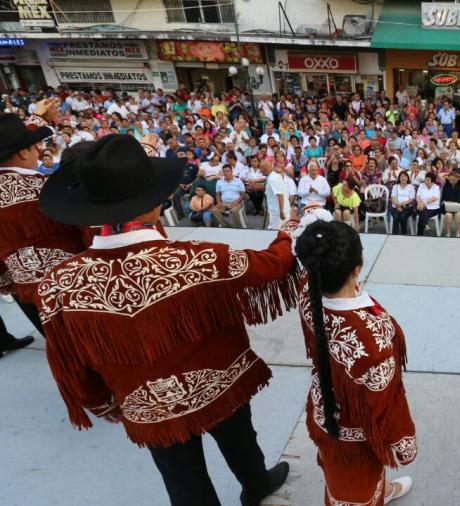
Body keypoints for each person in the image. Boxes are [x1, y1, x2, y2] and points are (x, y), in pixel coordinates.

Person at [37, 134, 299, 506]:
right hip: (220, 381)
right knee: (240, 440)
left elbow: (70, 363)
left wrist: (105, 404)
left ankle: (251, 483)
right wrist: (287, 233)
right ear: (155, 202)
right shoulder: (199, 259)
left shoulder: (57, 287)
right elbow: (272, 266)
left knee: (183, 482)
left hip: (147, 405)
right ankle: (256, 484)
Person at [294, 220, 417, 506]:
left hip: (324, 406)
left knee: (345, 474)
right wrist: (404, 444)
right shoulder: (372, 341)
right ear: (357, 268)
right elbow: (386, 404)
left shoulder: (308, 289)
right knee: (352, 489)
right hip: (356, 431)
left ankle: (382, 492)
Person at [0, 98, 92, 338]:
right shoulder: (48, 189)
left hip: (27, 293)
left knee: (61, 347)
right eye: (34, 146)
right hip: (77, 287)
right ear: (22, 152)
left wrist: (38, 119)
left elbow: (10, 142)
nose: (39, 150)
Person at [264, 161, 288, 230]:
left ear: (264, 169)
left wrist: (281, 212)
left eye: (261, 169)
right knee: (283, 231)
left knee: (273, 231)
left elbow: (280, 195)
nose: (260, 171)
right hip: (277, 209)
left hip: (277, 211)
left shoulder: (273, 178)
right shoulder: (274, 175)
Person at [441, 170, 460, 238]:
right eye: (451, 180)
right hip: (447, 206)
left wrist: (459, 176)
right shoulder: (445, 182)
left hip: (458, 206)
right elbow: (440, 175)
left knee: (459, 215)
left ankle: (458, 231)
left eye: (454, 180)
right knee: (448, 216)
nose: (452, 181)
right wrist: (448, 174)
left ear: (457, 179)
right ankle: (448, 232)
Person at [390, 170, 416, 235]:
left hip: (407, 207)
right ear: (399, 178)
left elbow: (411, 199)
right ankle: (395, 235)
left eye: (405, 177)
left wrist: (401, 205)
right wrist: (397, 206)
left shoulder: (411, 187)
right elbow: (393, 197)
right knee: (396, 217)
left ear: (407, 178)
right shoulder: (395, 186)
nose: (403, 178)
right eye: (401, 177)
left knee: (403, 216)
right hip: (395, 206)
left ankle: (403, 234)